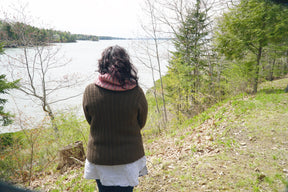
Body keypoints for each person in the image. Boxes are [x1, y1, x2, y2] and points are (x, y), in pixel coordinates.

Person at [82, 45, 148, 192]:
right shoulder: (136, 92)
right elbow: (141, 122)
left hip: (99, 158)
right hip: (128, 159)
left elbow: (90, 120)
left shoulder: (90, 90)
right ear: (126, 65)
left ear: (102, 64)